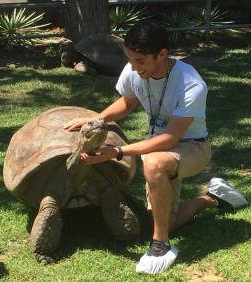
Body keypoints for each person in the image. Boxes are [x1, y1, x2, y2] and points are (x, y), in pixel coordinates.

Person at [64, 21, 217, 275]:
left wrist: (117, 152)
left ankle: (161, 245)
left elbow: (169, 139)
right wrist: (98, 119)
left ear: (162, 55)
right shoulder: (135, 70)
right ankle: (211, 198)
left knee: (154, 162)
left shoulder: (191, 84)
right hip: (160, 148)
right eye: (130, 59)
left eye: (140, 61)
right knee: (167, 220)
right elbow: (127, 102)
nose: (134, 67)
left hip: (193, 148)